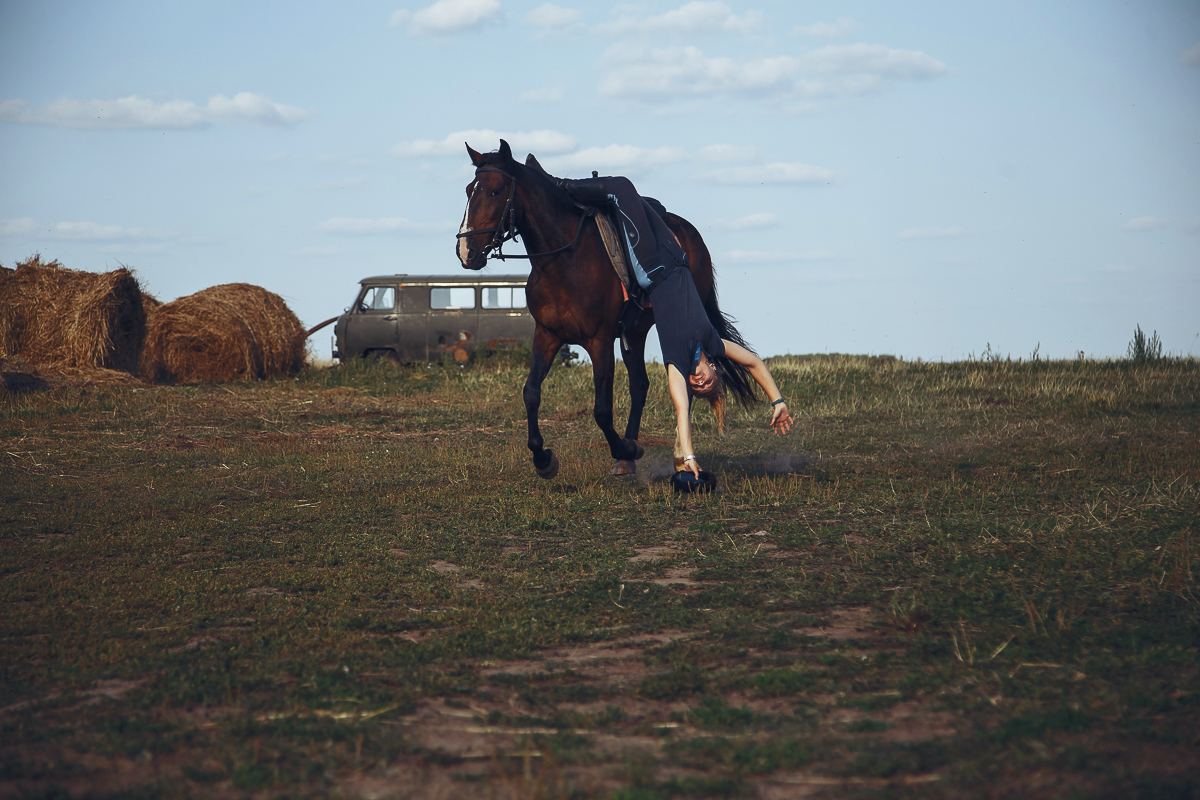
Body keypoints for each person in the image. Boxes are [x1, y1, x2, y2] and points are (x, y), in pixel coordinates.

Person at [550, 174, 794, 479]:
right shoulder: (713, 342)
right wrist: (778, 400)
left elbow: (682, 413)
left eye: (698, 387)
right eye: (708, 384)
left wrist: (687, 453)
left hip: (652, 268)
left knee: (622, 188)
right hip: (675, 256)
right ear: (716, 370)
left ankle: (552, 184)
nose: (700, 383)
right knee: (647, 204)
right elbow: (754, 363)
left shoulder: (677, 365)